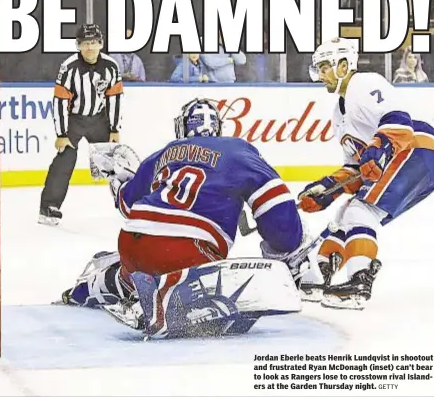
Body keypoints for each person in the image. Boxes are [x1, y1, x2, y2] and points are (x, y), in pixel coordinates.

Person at [60, 99, 313, 338]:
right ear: (219, 128)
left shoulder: (167, 152)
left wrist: (118, 180)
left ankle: (101, 284)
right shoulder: (239, 150)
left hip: (130, 242)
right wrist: (287, 249)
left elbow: (126, 204)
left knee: (139, 263)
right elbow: (276, 209)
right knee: (199, 270)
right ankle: (166, 297)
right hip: (185, 249)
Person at [301, 37, 434, 310]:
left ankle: (360, 281)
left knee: (361, 211)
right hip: (418, 158)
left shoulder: (365, 83)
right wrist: (327, 189)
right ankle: (320, 272)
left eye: (325, 67)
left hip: (418, 149)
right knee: (345, 213)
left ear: (344, 65)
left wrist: (379, 147)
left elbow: (399, 122)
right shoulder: (339, 113)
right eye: (319, 68)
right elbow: (357, 168)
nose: (321, 74)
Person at [39, 23, 123, 225]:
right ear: (78, 46)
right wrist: (61, 134)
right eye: (85, 43)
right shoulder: (69, 67)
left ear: (101, 44)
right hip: (74, 120)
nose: (90, 48)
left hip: (99, 119)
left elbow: (115, 98)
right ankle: (48, 208)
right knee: (65, 159)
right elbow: (59, 101)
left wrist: (114, 129)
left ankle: (127, 203)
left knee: (115, 162)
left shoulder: (111, 66)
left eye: (94, 43)